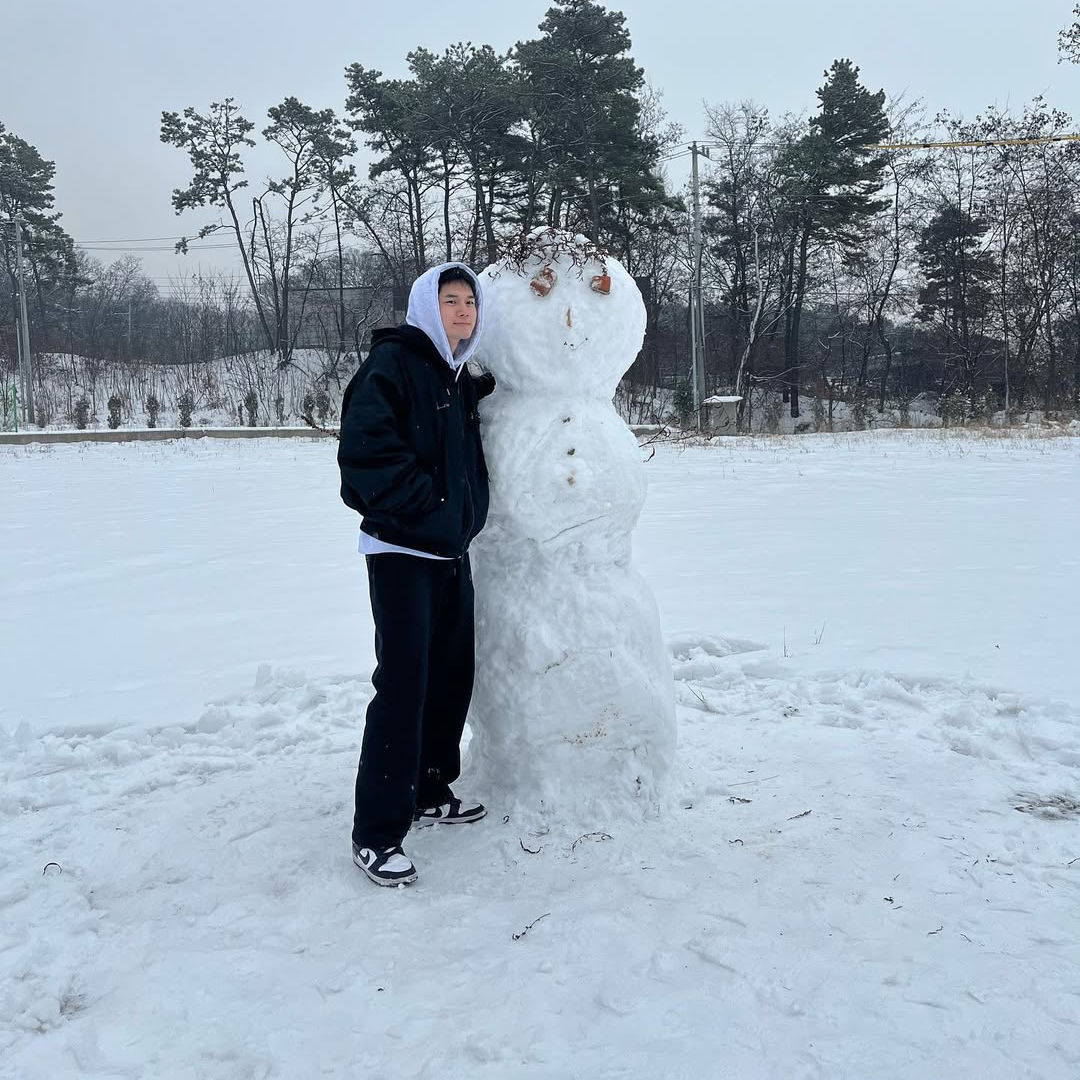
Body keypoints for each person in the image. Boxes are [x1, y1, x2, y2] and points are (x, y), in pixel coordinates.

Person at [337, 263, 494, 887]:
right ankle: (376, 833)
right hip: (401, 552)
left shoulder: (456, 378)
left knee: (451, 676)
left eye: (470, 302)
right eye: (449, 300)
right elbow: (364, 460)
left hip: (450, 553)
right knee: (403, 685)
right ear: (426, 307)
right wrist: (429, 506)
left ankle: (431, 789)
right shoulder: (392, 367)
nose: (462, 311)